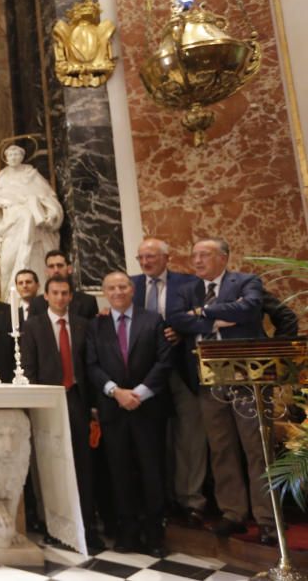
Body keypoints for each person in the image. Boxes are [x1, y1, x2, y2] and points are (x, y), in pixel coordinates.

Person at [168, 238, 276, 545]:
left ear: (224, 257)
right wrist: (218, 318)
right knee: (221, 448)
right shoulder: (186, 289)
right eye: (194, 255)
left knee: (257, 448)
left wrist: (202, 313)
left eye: (205, 254)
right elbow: (176, 320)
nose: (197, 260)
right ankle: (233, 513)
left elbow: (250, 309)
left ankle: (267, 519)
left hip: (247, 379)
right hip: (208, 381)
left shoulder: (246, 281)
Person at [86, 271, 173, 556]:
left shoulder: (153, 320)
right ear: (104, 292)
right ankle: (127, 533)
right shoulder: (95, 326)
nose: (118, 292)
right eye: (111, 288)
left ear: (132, 289)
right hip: (114, 409)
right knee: (119, 472)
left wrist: (140, 392)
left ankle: (155, 535)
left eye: (122, 286)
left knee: (151, 470)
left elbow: (164, 360)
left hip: (147, 407)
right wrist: (116, 392)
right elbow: (92, 365)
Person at [21, 275, 104, 552]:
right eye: (55, 293)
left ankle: (88, 526)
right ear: (45, 296)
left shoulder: (82, 326)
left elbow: (90, 367)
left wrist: (93, 407)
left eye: (64, 293)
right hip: (48, 401)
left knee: (83, 465)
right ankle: (54, 526)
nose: (59, 298)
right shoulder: (33, 326)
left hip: (78, 400)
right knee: (50, 465)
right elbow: (29, 368)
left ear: (71, 296)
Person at [131, 238, 204, 526]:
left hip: (181, 369)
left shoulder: (189, 284)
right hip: (145, 374)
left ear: (166, 257)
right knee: (155, 436)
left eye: (151, 257)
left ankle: (191, 500)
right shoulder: (130, 285)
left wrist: (183, 333)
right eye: (141, 258)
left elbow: (204, 318)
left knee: (190, 435)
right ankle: (160, 498)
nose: (146, 262)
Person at [0, 144, 64, 290]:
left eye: (16, 154)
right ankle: (10, 300)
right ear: (6, 158)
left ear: (22, 156)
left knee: (34, 266)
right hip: (11, 227)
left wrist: (51, 213)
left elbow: (50, 199)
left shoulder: (32, 175)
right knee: (7, 267)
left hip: (35, 231)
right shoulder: (1, 179)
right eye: (10, 155)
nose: (13, 157)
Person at [28, 250, 99, 320]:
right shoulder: (36, 304)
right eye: (51, 266)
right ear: (46, 271)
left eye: (60, 266)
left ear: (69, 269)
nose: (56, 270)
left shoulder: (88, 302)